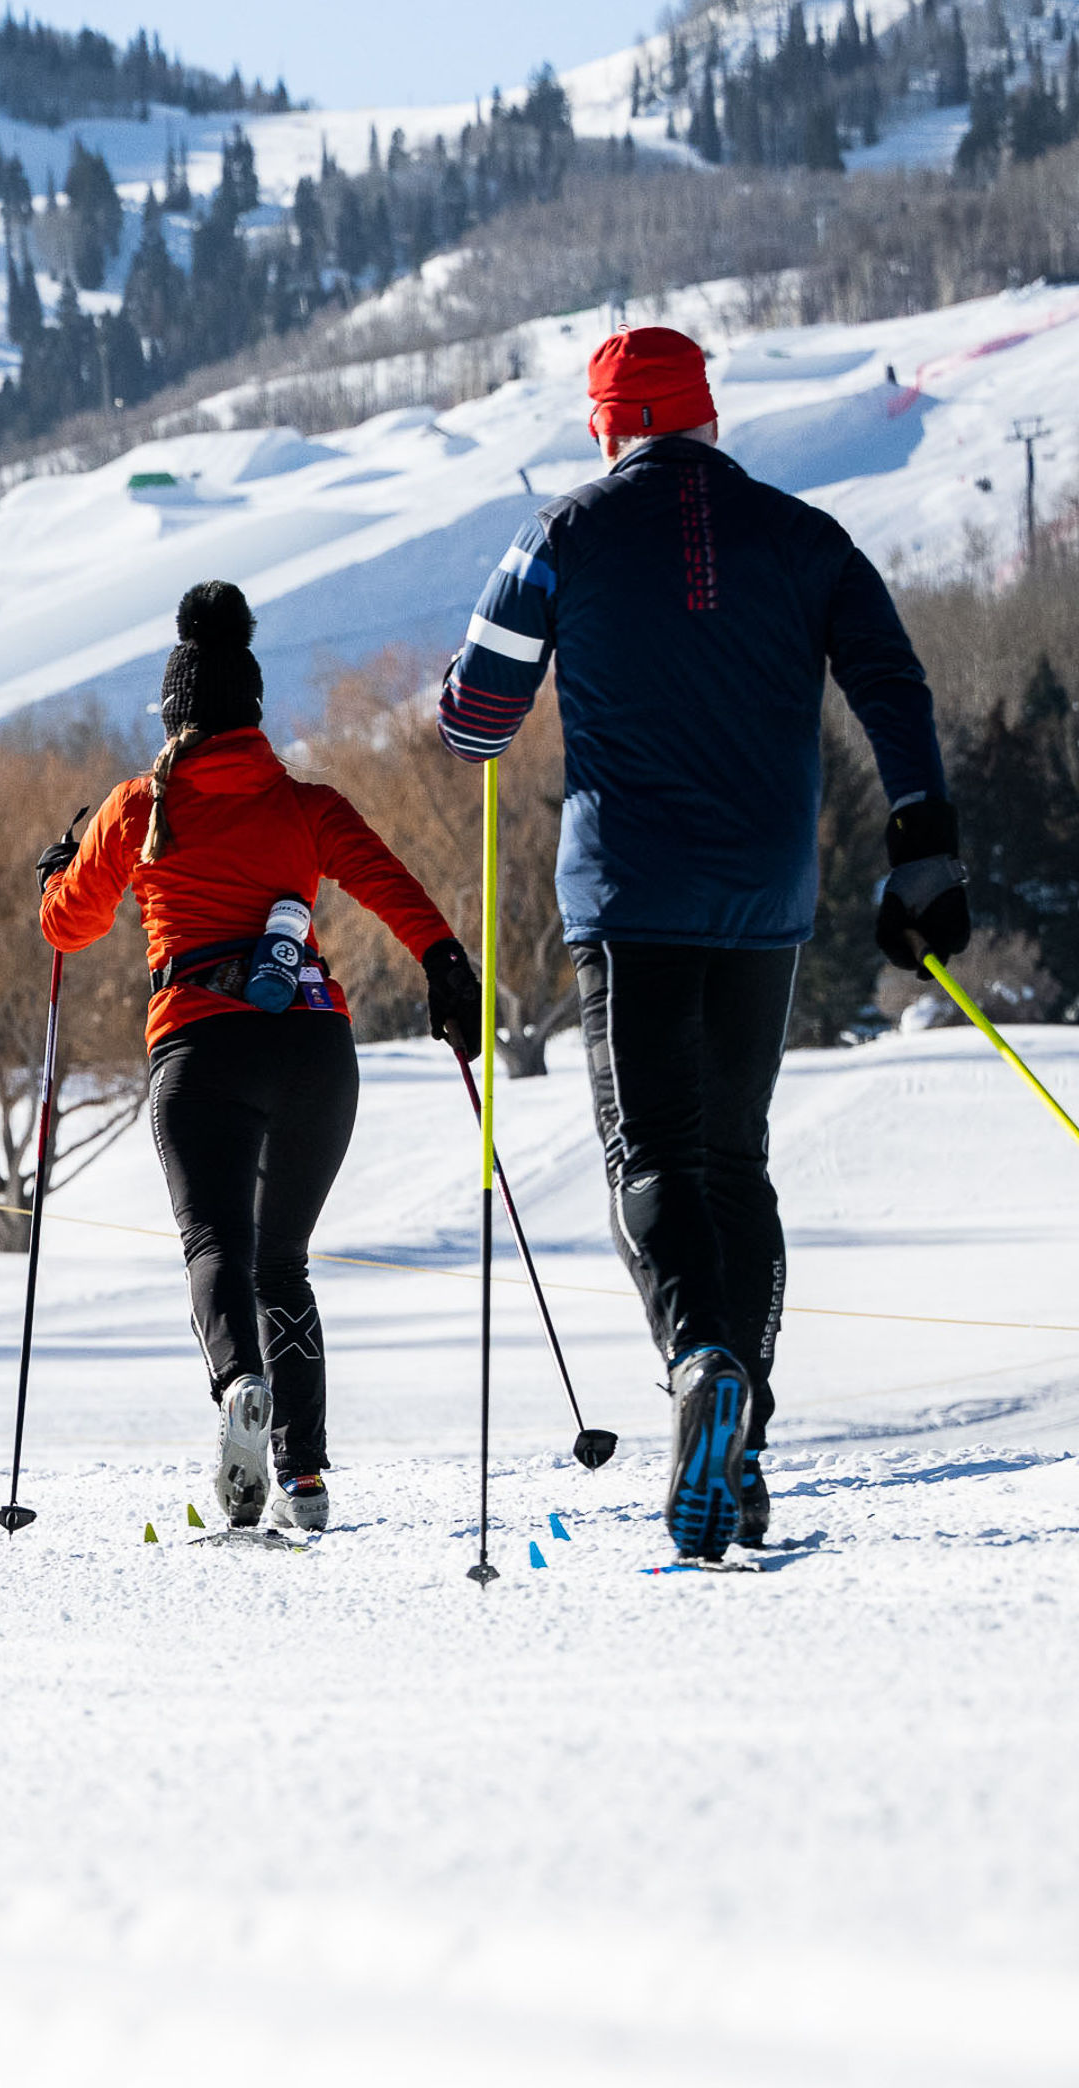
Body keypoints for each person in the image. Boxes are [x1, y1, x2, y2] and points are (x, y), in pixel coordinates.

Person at [437, 325, 971, 1561]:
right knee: (735, 1156)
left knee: (650, 1155)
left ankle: (700, 1366)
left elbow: (474, 716)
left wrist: (469, 718)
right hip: (766, 897)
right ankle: (740, 1460)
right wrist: (922, 842)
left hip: (628, 898)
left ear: (604, 428)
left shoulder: (561, 534)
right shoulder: (807, 538)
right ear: (710, 419)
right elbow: (893, 683)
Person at [40, 581, 484, 1533]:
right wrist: (446, 967)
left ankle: (240, 1384)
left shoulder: (133, 809)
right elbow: (393, 886)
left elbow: (68, 928)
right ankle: (307, 1476)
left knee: (217, 1250)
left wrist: (56, 876)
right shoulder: (307, 804)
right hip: (317, 1050)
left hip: (202, 1050)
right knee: (284, 1262)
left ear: (172, 717)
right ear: (252, 712)